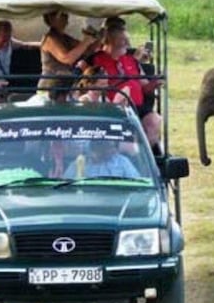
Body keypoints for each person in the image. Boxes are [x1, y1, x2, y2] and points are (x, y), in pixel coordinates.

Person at [90, 24, 163, 152]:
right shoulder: (97, 59)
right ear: (110, 39)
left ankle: (145, 158)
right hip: (112, 108)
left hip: (138, 107)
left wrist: (155, 83)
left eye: (126, 39)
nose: (127, 43)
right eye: (122, 39)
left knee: (154, 120)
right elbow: (93, 83)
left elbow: (145, 87)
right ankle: (127, 153)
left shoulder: (131, 60)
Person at [38, 11, 100, 99]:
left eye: (65, 14)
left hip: (66, 87)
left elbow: (87, 50)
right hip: (49, 89)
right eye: (62, 15)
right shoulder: (49, 38)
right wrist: (87, 40)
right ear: (51, 19)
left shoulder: (65, 37)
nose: (66, 17)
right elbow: (67, 58)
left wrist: (99, 37)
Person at [63, 141, 140, 179]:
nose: (111, 149)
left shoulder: (122, 162)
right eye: (98, 144)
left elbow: (137, 184)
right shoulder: (78, 163)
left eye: (110, 146)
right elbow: (65, 186)